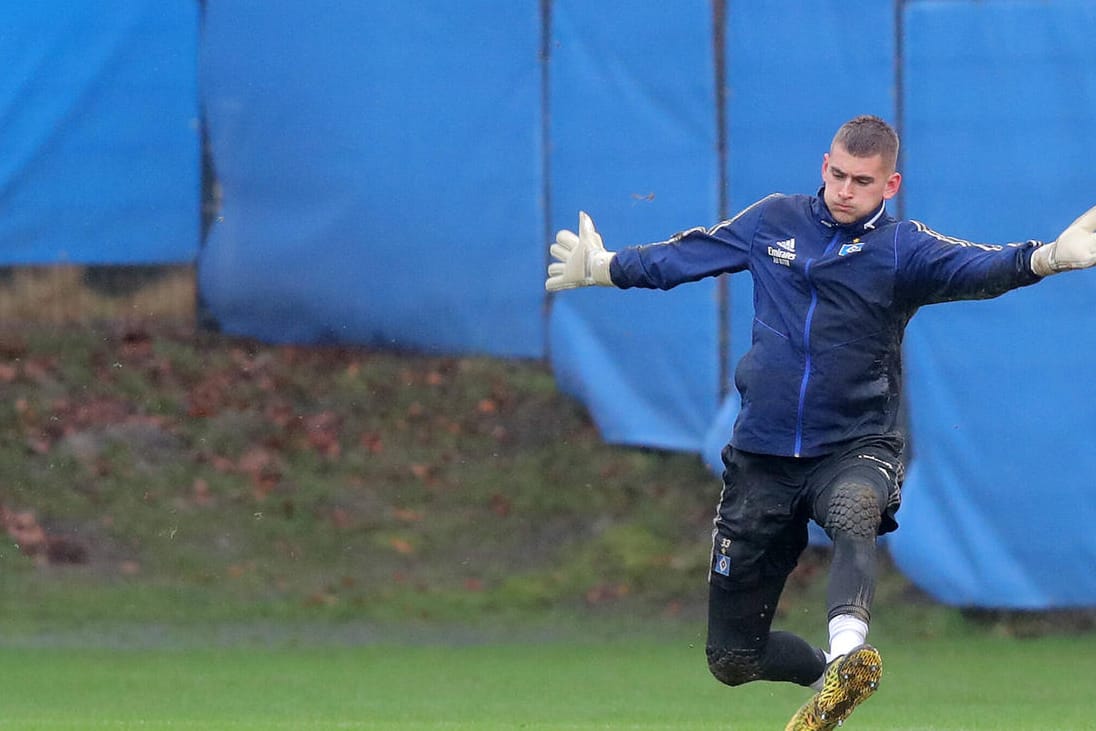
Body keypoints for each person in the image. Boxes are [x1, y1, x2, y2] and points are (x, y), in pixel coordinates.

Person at [544, 114, 1096, 731]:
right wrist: (606, 266)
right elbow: (690, 253)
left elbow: (975, 268)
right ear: (823, 165)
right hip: (762, 456)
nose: (844, 189)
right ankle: (832, 679)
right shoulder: (774, 219)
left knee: (855, 510)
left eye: (862, 180)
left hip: (854, 445)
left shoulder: (900, 249)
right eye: (836, 173)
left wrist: (1047, 258)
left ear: (890, 187)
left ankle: (848, 653)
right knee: (732, 658)